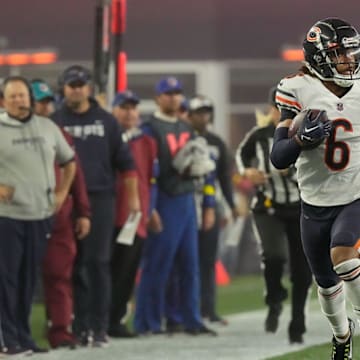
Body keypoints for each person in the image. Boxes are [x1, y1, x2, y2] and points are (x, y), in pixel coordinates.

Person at [270, 18, 360, 359]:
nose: (348, 61)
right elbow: (279, 157)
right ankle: (342, 336)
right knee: (325, 281)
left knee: (344, 256)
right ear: (320, 57)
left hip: (355, 193)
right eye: (340, 54)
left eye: (351, 53)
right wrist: (298, 139)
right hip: (315, 200)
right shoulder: (297, 88)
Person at [51, 65, 139, 347]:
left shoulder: (106, 121)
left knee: (99, 263)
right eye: (71, 84)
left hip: (100, 198)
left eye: (80, 84)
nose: (76, 89)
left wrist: (134, 200)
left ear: (89, 88)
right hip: (66, 199)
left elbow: (126, 164)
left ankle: (99, 327)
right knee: (71, 265)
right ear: (63, 88)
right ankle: (77, 325)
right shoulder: (54, 121)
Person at [134, 77, 216, 335]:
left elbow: (202, 166)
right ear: (158, 98)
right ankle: (148, 321)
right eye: (168, 93)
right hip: (164, 199)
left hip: (187, 200)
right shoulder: (150, 128)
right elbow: (146, 171)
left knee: (190, 265)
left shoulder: (186, 126)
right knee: (158, 265)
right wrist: (151, 208)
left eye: (177, 93)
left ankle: (189, 318)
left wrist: (208, 202)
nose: (173, 97)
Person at [0, 76, 76, 355]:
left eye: (23, 96)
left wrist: (61, 193)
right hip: (7, 217)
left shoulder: (47, 127)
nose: (19, 101)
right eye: (13, 97)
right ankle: (7, 340)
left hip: (40, 215)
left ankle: (24, 337)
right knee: (6, 279)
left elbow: (69, 162)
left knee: (28, 280)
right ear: (3, 101)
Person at [236, 87, 312, 344]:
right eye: (278, 108)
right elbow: (242, 159)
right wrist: (249, 173)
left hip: (301, 206)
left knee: (303, 270)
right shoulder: (258, 137)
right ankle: (275, 298)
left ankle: (298, 320)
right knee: (275, 255)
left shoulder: (307, 133)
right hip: (268, 206)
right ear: (270, 109)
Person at [30, 79, 92, 349]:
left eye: (46, 102)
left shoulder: (59, 133)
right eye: (38, 102)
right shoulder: (5, 131)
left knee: (59, 275)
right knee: (17, 279)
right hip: (21, 216)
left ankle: (60, 331)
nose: (44, 107)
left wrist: (83, 211)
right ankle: (14, 334)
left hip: (58, 217)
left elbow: (74, 173)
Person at [109, 90, 159, 338]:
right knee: (102, 270)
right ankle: (96, 320)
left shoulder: (147, 142)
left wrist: (150, 210)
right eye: (123, 108)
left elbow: (151, 180)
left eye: (132, 108)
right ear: (114, 111)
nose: (129, 113)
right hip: (108, 214)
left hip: (134, 217)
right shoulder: (107, 138)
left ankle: (116, 320)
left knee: (127, 273)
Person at [187, 95, 239, 324]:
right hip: (186, 203)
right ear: (189, 115)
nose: (203, 117)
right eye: (199, 112)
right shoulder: (183, 137)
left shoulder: (216, 142)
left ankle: (209, 309)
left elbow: (224, 178)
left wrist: (231, 204)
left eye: (206, 112)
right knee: (186, 262)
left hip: (210, 204)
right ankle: (187, 310)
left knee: (208, 261)